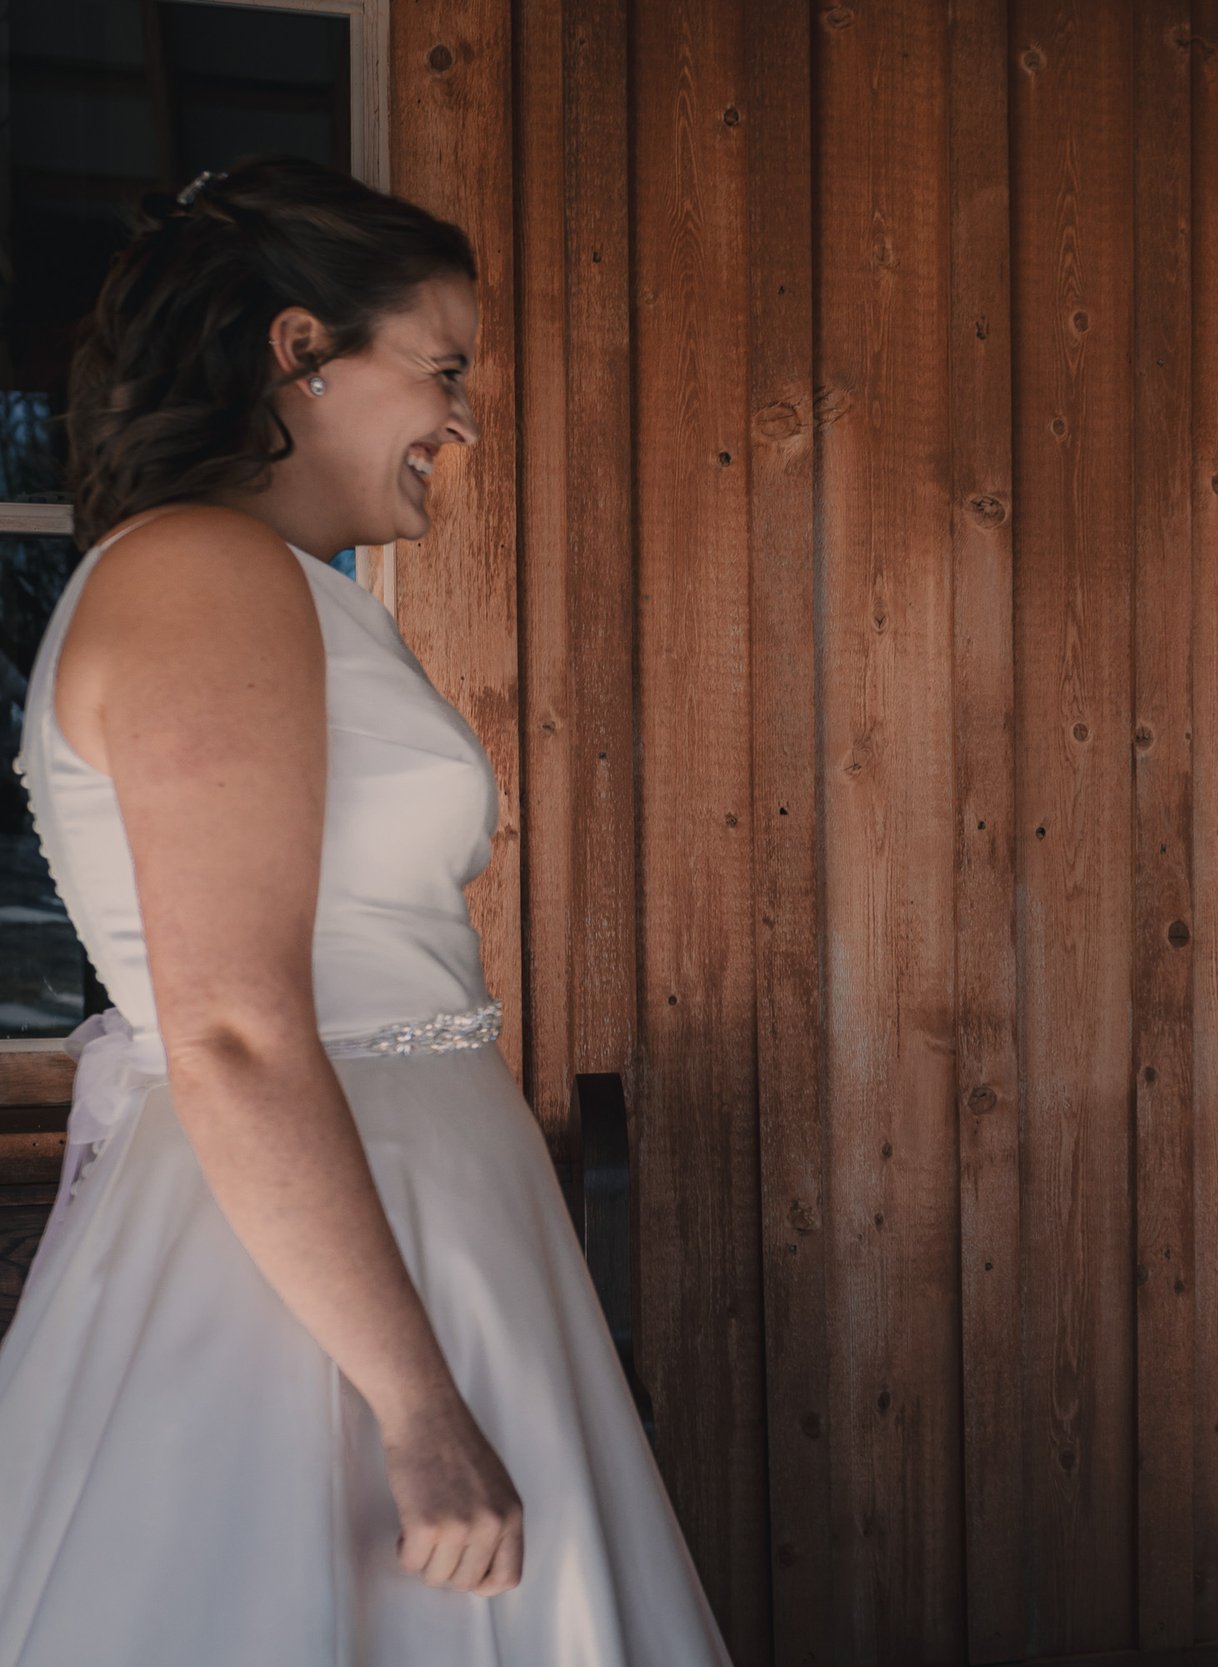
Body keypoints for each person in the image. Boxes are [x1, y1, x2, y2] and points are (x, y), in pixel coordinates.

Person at [0, 155, 731, 1665]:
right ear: (299, 353)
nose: (461, 422)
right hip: (303, 1274)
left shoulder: (272, 583)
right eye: (443, 368)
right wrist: (418, 1405)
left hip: (410, 1207)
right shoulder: (204, 572)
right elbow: (234, 1025)